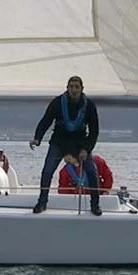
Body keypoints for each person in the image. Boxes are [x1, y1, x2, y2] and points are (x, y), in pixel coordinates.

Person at [29, 76, 101, 215]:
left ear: (82, 89)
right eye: (71, 86)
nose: (74, 89)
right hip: (59, 142)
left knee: (92, 172)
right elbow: (46, 121)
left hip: (80, 143)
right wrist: (37, 138)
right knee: (47, 172)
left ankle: (95, 205)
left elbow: (94, 131)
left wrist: (86, 149)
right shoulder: (57, 102)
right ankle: (42, 203)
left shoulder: (89, 105)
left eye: (76, 87)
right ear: (67, 88)